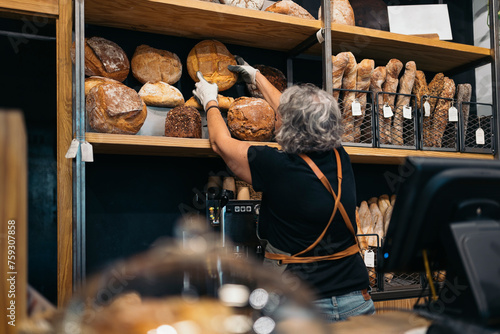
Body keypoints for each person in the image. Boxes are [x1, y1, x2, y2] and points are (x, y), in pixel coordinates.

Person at [192, 57, 375, 322]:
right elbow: (301, 115)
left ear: (287, 125)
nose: (278, 116)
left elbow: (221, 143)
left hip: (300, 308)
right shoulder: (339, 156)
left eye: (280, 116)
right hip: (356, 301)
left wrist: (210, 100)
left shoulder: (275, 165)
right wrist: (256, 76)